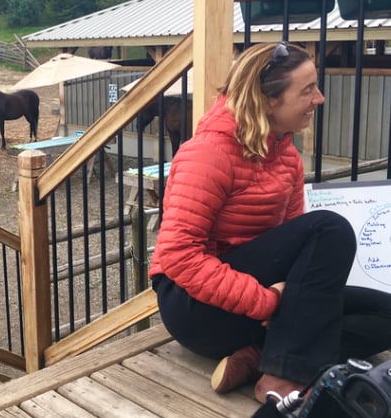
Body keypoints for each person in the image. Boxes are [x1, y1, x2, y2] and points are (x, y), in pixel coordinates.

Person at [148, 41, 391, 403]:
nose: (319, 98)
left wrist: (284, 299)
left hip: (256, 299)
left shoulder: (287, 157)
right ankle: (282, 380)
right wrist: (268, 303)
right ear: (268, 100)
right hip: (195, 310)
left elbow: (295, 249)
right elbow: (180, 258)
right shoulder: (207, 154)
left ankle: (259, 356)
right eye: (307, 89)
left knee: (384, 314)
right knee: (330, 228)